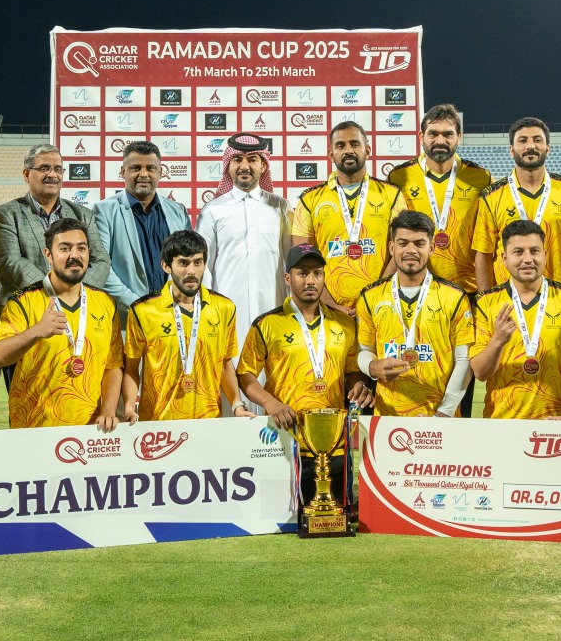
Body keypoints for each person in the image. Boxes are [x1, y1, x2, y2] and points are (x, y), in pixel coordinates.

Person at [237, 243, 375, 502]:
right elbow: (245, 375)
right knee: (283, 517)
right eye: (302, 273)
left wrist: (358, 385)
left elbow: (352, 371)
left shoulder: (344, 323)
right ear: (288, 278)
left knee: (334, 513)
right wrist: (271, 403)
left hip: (334, 438)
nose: (311, 280)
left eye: (317, 273)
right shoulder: (266, 324)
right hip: (284, 435)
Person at [99, 230, 254, 422]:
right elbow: (131, 367)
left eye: (198, 262)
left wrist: (237, 405)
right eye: (183, 263)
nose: (191, 271)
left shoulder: (224, 307)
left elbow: (225, 364)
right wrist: (130, 407)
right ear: (166, 266)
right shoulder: (142, 310)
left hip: (209, 422)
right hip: (159, 425)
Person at [0, 143, 110, 385]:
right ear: (26, 174)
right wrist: (55, 293)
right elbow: (9, 261)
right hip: (25, 321)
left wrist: (72, 294)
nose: (52, 174)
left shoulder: (82, 214)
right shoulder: (6, 213)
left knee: (78, 392)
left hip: (77, 320)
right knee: (27, 399)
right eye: (44, 168)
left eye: (57, 169)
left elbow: (100, 261)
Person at [0, 217, 123, 429]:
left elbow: (113, 365)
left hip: (90, 429)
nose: (75, 256)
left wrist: (108, 410)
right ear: (48, 255)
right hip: (34, 428)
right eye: (65, 248)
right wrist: (36, 332)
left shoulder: (105, 303)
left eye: (81, 248)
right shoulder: (23, 301)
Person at [197, 133, 292, 415]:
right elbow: (204, 267)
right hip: (228, 319)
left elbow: (291, 264)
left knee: (275, 383)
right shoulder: (213, 210)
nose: (244, 166)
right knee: (229, 387)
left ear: (264, 165)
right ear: (227, 166)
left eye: (253, 159)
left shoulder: (282, 208)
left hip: (274, 315)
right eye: (237, 159)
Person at [470, 220, 561, 420]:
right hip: (502, 422)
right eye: (519, 252)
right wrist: (498, 341)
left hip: (557, 423)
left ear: (545, 255)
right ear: (504, 259)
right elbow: (480, 372)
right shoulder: (485, 303)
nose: (528, 259)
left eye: (534, 251)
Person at [355, 211, 474, 417]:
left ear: (432, 247)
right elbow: (363, 350)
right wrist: (372, 367)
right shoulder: (370, 296)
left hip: (441, 419)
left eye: (419, 243)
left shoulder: (454, 296)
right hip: (387, 417)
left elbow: (464, 360)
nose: (411, 250)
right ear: (392, 248)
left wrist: (444, 412)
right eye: (403, 243)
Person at [291, 121, 405, 316]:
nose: (348, 150)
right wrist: (329, 303)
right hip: (327, 310)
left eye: (355, 144)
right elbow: (301, 259)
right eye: (340, 145)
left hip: (381, 306)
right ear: (331, 154)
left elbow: (402, 248)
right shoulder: (309, 200)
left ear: (367, 150)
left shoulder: (392, 195)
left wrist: (376, 296)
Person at [386, 103, 489, 294]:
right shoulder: (399, 177)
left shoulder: (481, 177)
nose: (440, 140)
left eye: (448, 134)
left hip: (468, 288)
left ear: (459, 137)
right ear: (421, 137)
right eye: (433, 134)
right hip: (416, 287)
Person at [473, 116, 561, 292]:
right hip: (509, 301)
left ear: (548, 148)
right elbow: (483, 255)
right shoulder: (491, 196)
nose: (530, 146)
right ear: (511, 150)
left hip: (559, 299)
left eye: (537, 140)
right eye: (522, 140)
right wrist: (486, 301)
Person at [94, 141, 192, 316]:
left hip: (173, 315)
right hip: (128, 318)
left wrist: (175, 301)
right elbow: (101, 267)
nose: (143, 174)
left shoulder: (178, 211)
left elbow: (188, 262)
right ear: (123, 172)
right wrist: (136, 305)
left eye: (151, 168)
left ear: (160, 173)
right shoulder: (103, 211)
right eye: (135, 168)